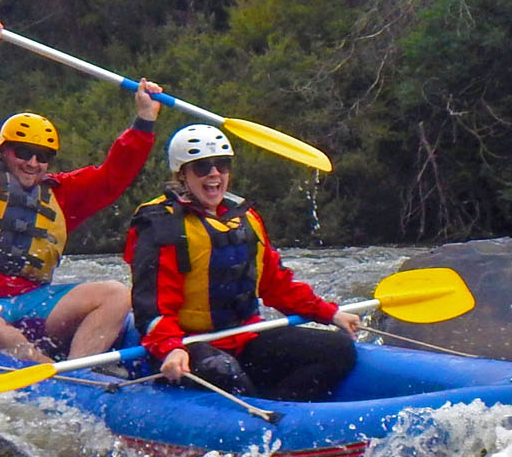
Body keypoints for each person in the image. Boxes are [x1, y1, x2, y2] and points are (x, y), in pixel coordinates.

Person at [0, 18, 163, 363]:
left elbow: (113, 177)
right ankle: (44, 367)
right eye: (23, 152)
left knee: (115, 294)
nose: (33, 162)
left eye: (43, 156)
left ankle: (82, 371)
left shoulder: (60, 195)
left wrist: (144, 120)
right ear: (4, 151)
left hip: (30, 300)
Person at [125, 125, 363, 401]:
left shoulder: (246, 219)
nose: (214, 173)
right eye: (202, 167)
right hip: (188, 346)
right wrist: (170, 347)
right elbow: (151, 307)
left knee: (337, 350)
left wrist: (330, 313)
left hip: (243, 337)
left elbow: (275, 284)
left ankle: (285, 414)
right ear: (182, 175)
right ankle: (259, 426)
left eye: (222, 165)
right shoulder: (162, 227)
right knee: (223, 371)